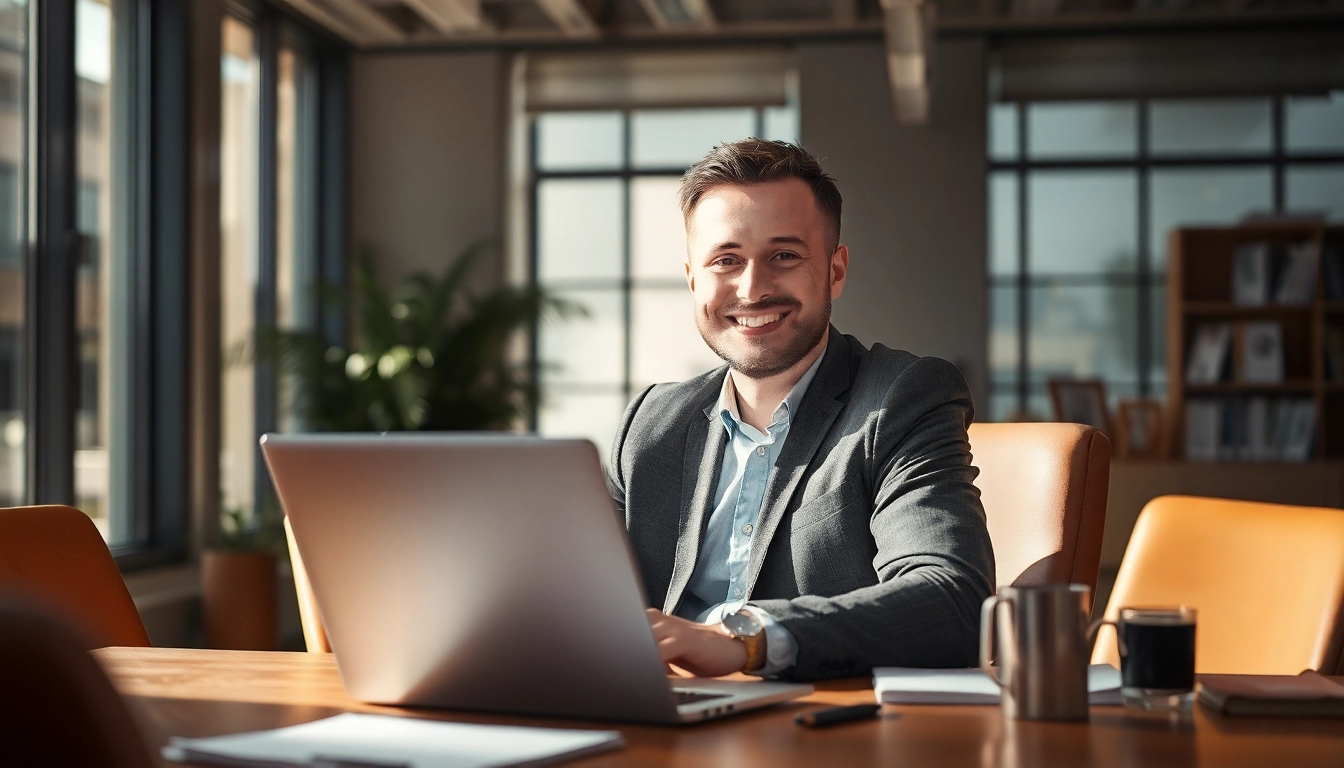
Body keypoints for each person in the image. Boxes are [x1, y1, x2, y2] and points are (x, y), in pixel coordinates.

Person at [606, 139, 996, 682]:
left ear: (835, 271)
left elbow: (953, 601)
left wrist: (742, 640)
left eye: (784, 256)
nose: (752, 287)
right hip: (653, 716)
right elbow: (582, 599)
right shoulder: (650, 422)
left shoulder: (903, 397)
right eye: (726, 260)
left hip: (813, 730)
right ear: (694, 280)